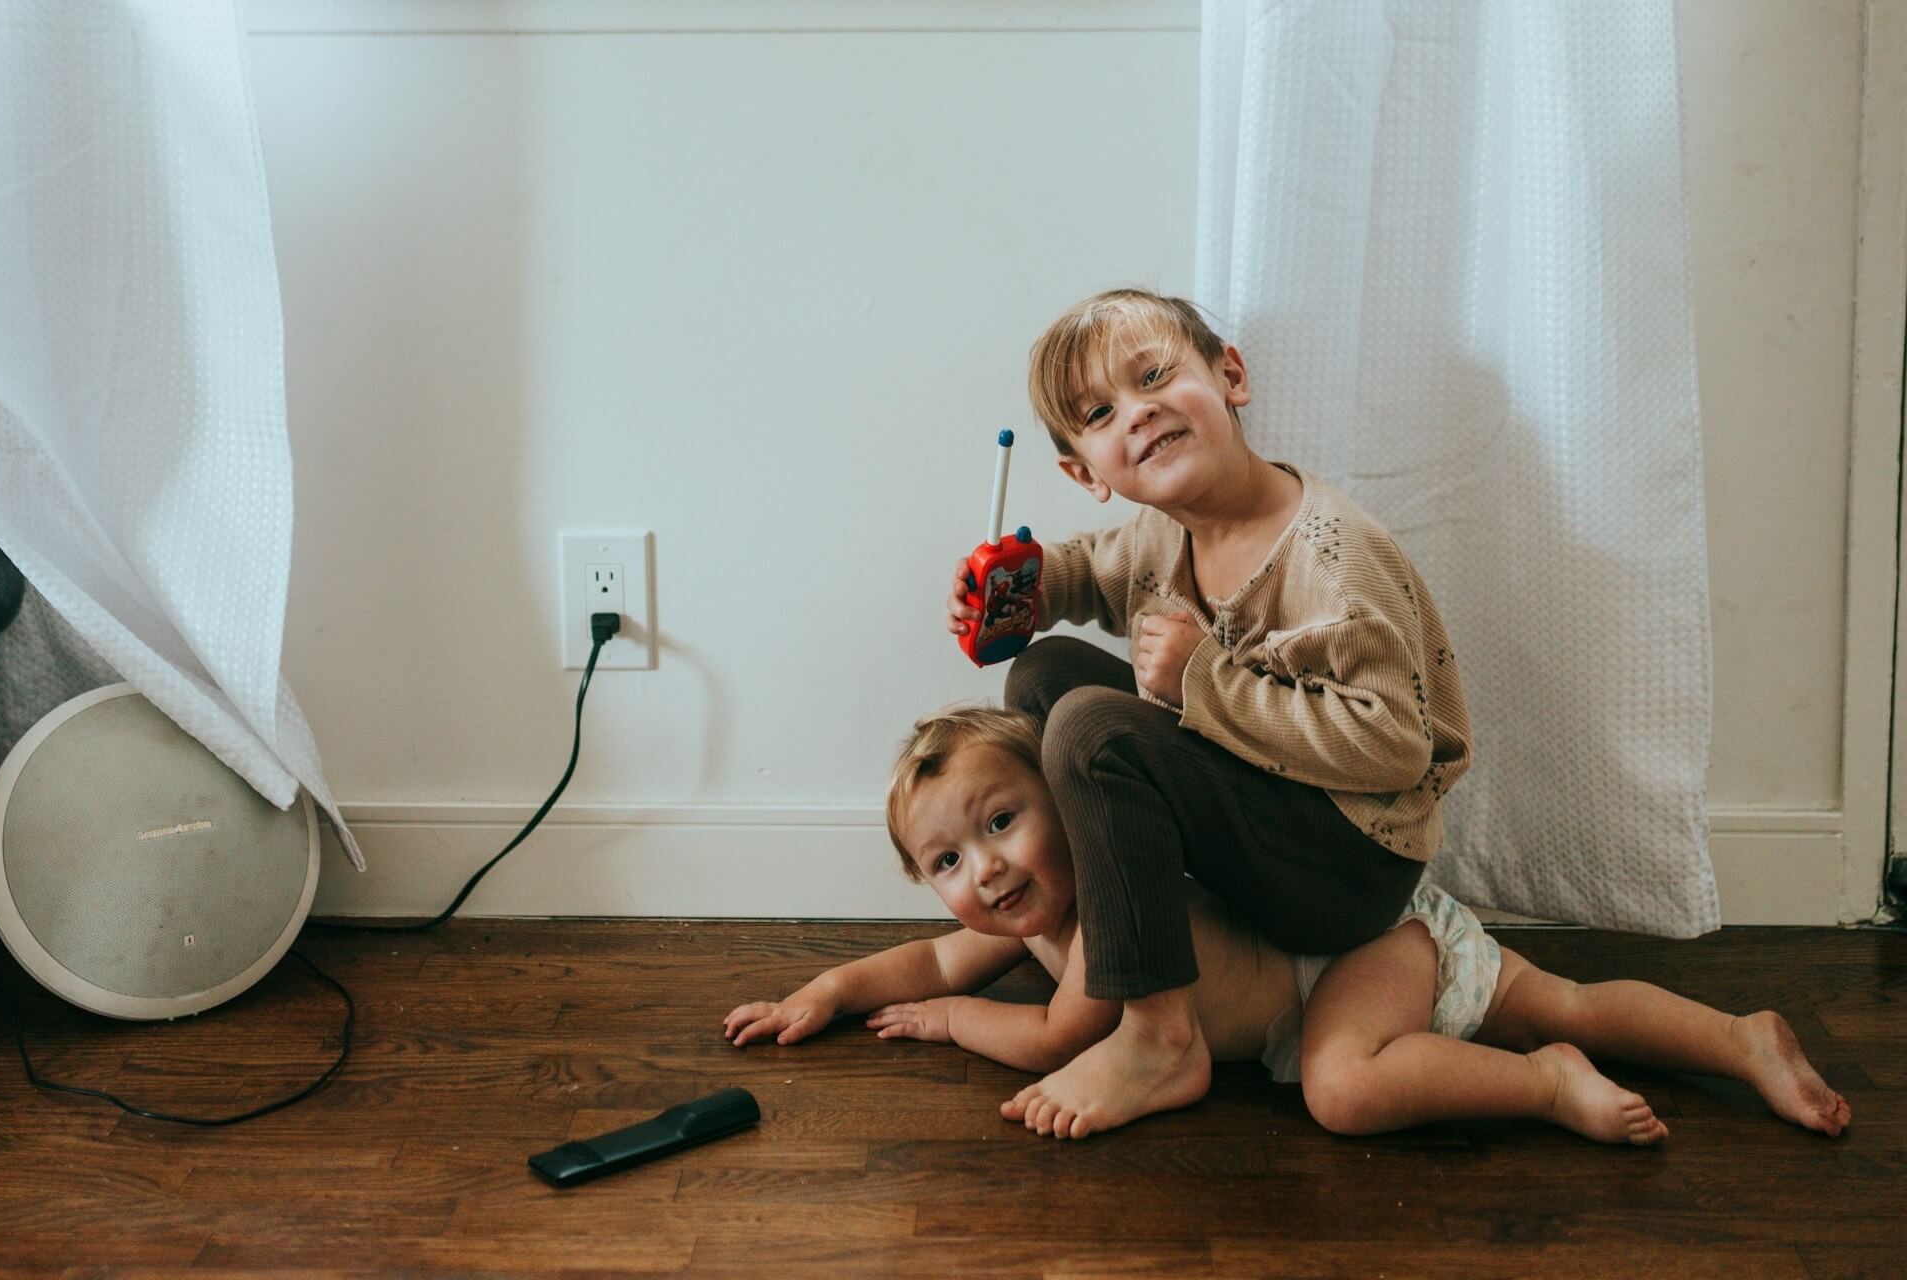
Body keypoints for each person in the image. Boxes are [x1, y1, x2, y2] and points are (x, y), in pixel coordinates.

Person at [722, 706, 1851, 1144]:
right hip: (1358, 960)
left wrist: (944, 1019)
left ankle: (1550, 1082)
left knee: (1349, 1087)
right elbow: (921, 952)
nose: (991, 868)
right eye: (948, 860)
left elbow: (1054, 1034)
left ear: (1072, 807)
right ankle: (1737, 1036)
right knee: (1565, 991)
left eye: (1005, 819)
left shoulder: (1114, 902)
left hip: (1358, 951)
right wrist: (833, 990)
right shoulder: (1024, 916)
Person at [942, 288, 1472, 1134]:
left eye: (1155, 375)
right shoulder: (1166, 532)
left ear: (1230, 376)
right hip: (1271, 813)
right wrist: (1027, 585)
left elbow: (1395, 747)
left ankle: (1158, 1036)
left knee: (1088, 728)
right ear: (1088, 473)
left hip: (1347, 862)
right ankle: (1114, 928)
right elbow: (1092, 568)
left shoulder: (1332, 556)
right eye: (1102, 411)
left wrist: (1205, 682)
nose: (1140, 411)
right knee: (1042, 676)